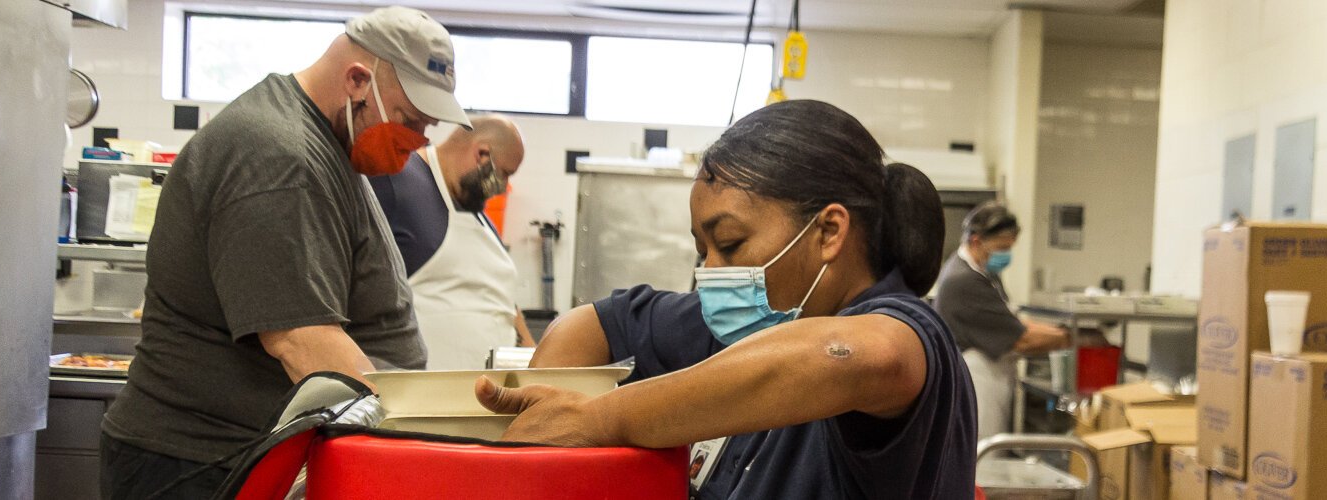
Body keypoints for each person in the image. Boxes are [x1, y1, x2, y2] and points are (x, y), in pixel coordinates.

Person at [478, 100, 977, 499]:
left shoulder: (910, 330)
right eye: (703, 250)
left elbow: (850, 358)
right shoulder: (753, 322)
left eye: (732, 244)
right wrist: (545, 451)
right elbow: (594, 323)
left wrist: (598, 420)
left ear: (828, 231)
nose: (709, 273)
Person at [99, 7, 470, 498]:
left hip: (234, 460)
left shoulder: (328, 147)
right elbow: (304, 342)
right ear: (358, 81)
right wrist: (409, 439)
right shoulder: (277, 155)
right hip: (200, 466)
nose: (419, 141)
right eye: (410, 120)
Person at [368, 115, 536, 370]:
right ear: (482, 154)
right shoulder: (396, 180)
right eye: (504, 173)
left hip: (489, 394)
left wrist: (538, 365)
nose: (503, 188)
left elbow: (504, 301)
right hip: (424, 392)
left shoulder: (478, 212)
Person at [933, 202, 1069, 440]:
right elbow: (1022, 339)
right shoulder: (962, 280)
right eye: (1001, 247)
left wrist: (1060, 331)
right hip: (977, 378)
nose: (1005, 255)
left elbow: (1012, 322)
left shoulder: (984, 273)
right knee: (982, 454)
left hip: (992, 375)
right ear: (976, 241)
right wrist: (1072, 337)